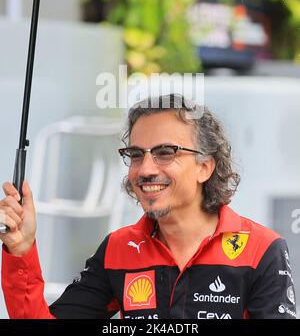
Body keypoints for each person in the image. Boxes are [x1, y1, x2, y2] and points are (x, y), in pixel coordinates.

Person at [0, 94, 297, 319]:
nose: (145, 169)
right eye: (136, 155)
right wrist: (21, 249)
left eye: (165, 152)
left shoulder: (261, 249)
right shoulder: (119, 248)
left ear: (205, 167)